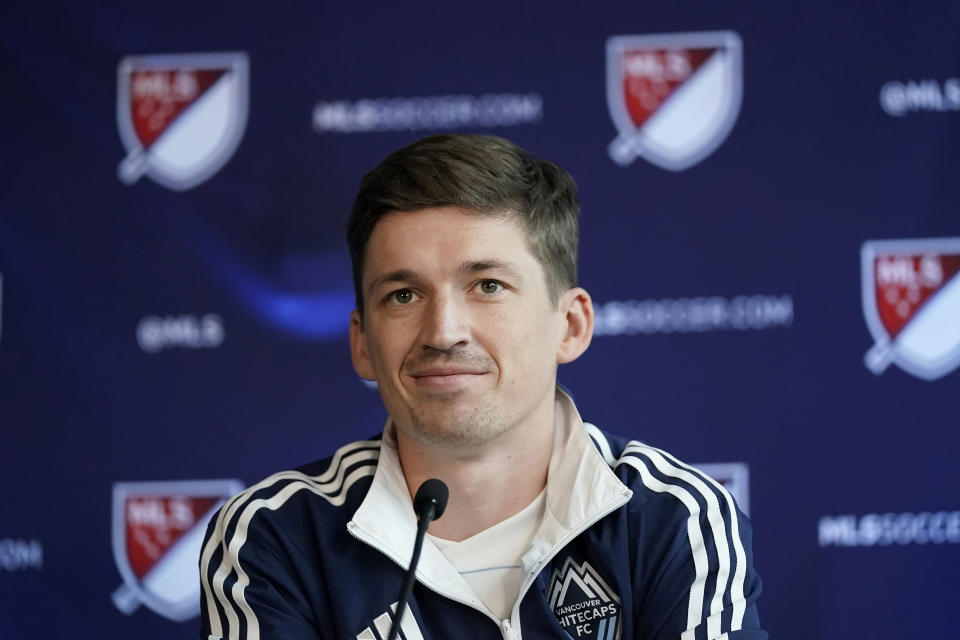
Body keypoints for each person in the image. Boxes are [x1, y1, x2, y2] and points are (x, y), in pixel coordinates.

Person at [199, 134, 767, 640]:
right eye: (403, 295)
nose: (443, 332)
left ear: (569, 326)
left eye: (487, 285)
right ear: (362, 343)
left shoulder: (674, 517)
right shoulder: (271, 535)